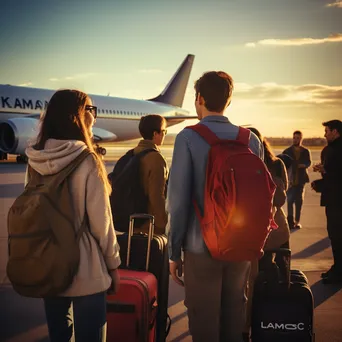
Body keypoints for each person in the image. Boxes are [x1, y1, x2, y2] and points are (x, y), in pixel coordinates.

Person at [166, 71, 264, 342]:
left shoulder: (187, 138)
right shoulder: (250, 140)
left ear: (199, 98)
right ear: (228, 101)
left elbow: (178, 201)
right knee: (234, 316)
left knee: (204, 321)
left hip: (201, 247)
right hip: (242, 245)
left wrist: (174, 252)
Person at [25, 89, 121, 342]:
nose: (95, 117)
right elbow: (102, 223)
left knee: (59, 334)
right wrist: (113, 264)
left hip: (49, 261)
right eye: (91, 110)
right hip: (86, 267)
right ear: (78, 116)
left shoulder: (34, 158)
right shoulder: (86, 159)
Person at [244, 127, 291, 340]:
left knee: (252, 278)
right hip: (271, 230)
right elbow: (283, 197)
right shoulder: (275, 164)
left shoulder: (266, 166)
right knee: (264, 274)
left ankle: (249, 326)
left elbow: (279, 199)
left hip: (266, 231)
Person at [312, 119, 342, 284]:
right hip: (333, 199)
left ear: (336, 132)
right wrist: (321, 182)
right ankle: (337, 267)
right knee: (335, 236)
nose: (325, 134)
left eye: (327, 131)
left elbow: (337, 176)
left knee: (337, 236)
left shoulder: (337, 150)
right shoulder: (329, 150)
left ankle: (339, 272)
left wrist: (326, 171)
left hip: (338, 201)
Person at [283, 131, 312, 229]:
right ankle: (290, 221)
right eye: (294, 137)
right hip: (291, 179)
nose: (295, 139)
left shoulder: (305, 151)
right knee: (290, 200)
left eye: (298, 138)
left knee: (299, 201)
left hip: (301, 179)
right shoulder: (287, 151)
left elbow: (309, 162)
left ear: (301, 139)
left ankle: (297, 221)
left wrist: (304, 165)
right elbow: (283, 164)